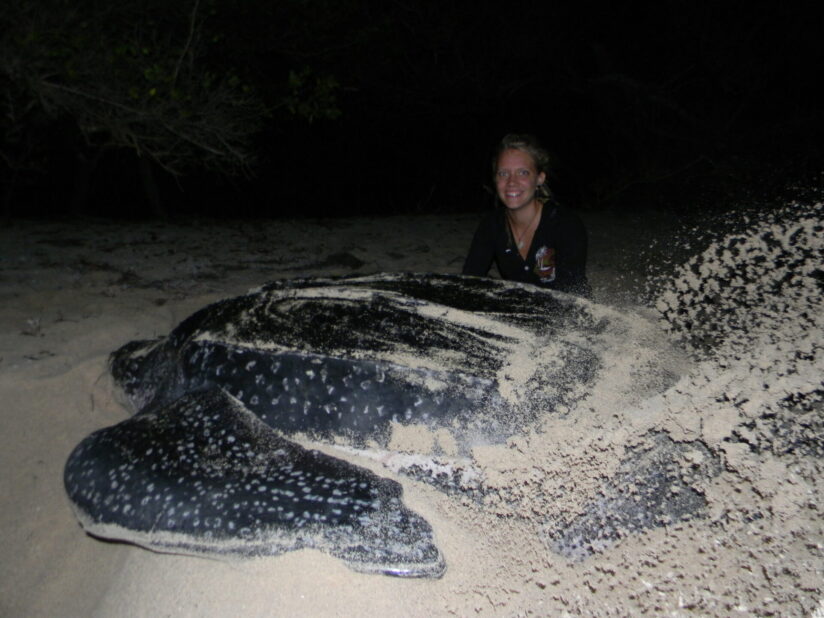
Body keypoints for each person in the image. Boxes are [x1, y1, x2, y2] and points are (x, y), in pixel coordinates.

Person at [462, 134, 591, 297]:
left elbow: (571, 295)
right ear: (495, 180)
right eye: (503, 173)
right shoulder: (491, 225)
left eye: (523, 172)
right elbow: (469, 281)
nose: (511, 182)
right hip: (519, 311)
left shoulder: (565, 224)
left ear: (539, 178)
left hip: (568, 315)